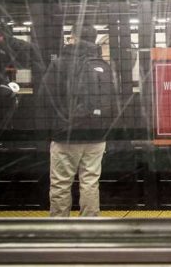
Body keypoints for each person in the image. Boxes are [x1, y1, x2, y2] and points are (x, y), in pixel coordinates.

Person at [41, 24, 109, 217]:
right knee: (90, 182)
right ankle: (90, 227)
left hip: (65, 135)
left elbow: (45, 98)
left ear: (73, 38)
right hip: (96, 135)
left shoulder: (59, 64)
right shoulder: (101, 64)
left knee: (61, 183)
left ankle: (60, 229)